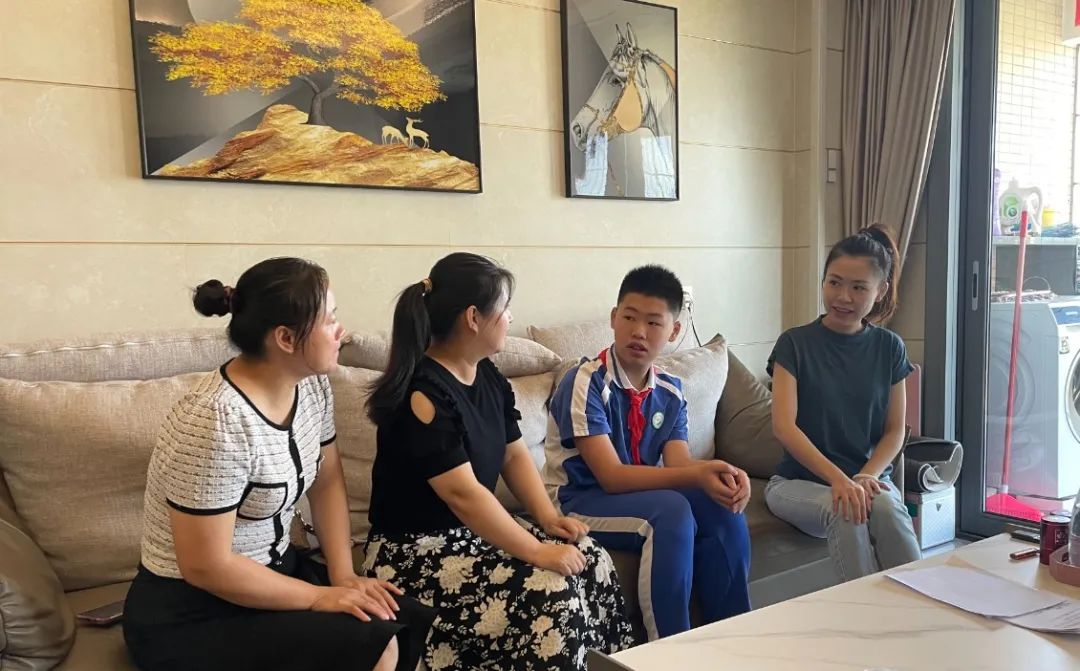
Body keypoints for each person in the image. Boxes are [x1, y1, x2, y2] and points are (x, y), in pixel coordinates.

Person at [124, 257, 434, 671]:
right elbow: (205, 566)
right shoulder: (215, 420)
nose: (341, 330)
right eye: (329, 319)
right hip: (193, 608)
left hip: (276, 574)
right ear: (286, 338)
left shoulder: (312, 386)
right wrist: (320, 597)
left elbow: (327, 482)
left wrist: (343, 575)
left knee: (399, 616)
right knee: (375, 644)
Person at [364, 252, 634, 670]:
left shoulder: (487, 374)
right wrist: (536, 551)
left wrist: (548, 519)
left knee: (591, 557)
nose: (510, 317)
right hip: (414, 552)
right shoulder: (424, 395)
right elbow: (463, 495)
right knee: (550, 590)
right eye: (504, 308)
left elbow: (513, 452)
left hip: (470, 536)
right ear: (474, 317)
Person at [544, 264, 753, 641]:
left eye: (654, 323)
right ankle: (669, 651)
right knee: (671, 512)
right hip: (579, 500)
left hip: (636, 496)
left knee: (721, 505)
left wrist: (720, 475)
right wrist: (697, 474)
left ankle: (732, 640)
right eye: (629, 317)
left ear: (673, 331)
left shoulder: (670, 391)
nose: (639, 331)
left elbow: (679, 465)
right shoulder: (585, 382)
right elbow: (611, 477)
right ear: (614, 318)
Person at [765, 226, 922, 582]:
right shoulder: (794, 344)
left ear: (881, 291)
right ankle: (864, 611)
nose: (843, 297)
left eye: (859, 288)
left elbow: (895, 430)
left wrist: (866, 476)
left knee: (888, 506)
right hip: (796, 484)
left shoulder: (890, 347)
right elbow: (784, 428)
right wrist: (840, 480)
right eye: (834, 282)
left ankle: (922, 601)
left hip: (865, 480)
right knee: (846, 507)